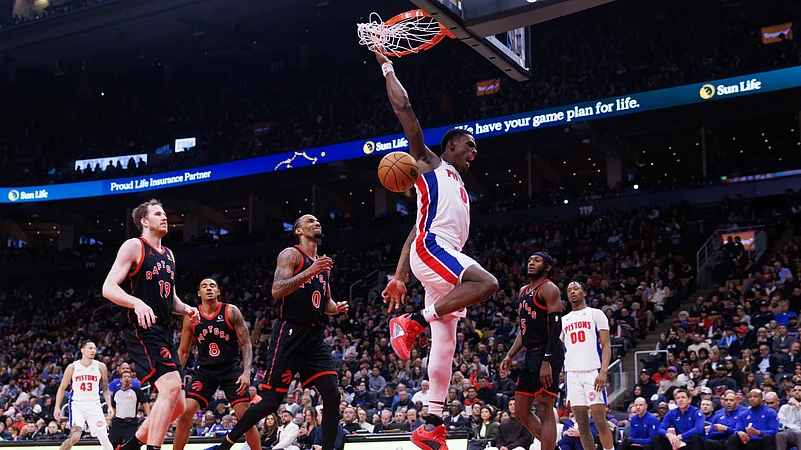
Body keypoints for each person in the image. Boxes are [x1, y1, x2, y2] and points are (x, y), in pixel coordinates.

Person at [376, 50, 499, 450]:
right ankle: (410, 319)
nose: (473, 152)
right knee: (486, 282)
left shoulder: (459, 187)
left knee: (445, 341)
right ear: (449, 146)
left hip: (430, 252)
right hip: (435, 249)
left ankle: (432, 423)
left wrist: (398, 276)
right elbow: (405, 110)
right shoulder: (429, 164)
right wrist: (387, 65)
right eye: (469, 145)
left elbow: (413, 229)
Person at [207, 214, 348, 450]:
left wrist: (337, 308)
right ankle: (225, 444)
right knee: (271, 402)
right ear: (298, 231)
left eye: (318, 221)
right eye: (310, 221)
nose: (316, 223)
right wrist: (311, 271)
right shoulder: (291, 255)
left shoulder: (323, 265)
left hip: (313, 337)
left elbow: (325, 304)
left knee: (332, 394)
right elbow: (276, 290)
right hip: (289, 332)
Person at [102, 199, 200, 450]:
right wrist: (136, 302)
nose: (164, 217)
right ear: (144, 221)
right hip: (141, 326)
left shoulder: (169, 254)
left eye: (165, 213)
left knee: (178, 405)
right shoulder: (134, 245)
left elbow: (171, 299)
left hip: (164, 329)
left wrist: (187, 309)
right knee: (169, 387)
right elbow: (108, 287)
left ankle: (130, 447)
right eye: (158, 214)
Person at [174, 278, 261, 450]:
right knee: (185, 414)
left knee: (246, 418)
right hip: (205, 371)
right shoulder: (191, 316)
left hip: (231, 369)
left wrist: (246, 372)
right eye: (204, 286)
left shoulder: (230, 311)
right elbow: (183, 351)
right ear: (199, 293)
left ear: (218, 292)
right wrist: (175, 377)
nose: (209, 289)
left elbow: (246, 343)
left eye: (212, 286)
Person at [500, 252, 562, 450]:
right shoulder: (523, 291)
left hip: (548, 351)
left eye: (537, 261)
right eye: (529, 261)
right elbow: (523, 329)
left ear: (547, 267)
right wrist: (510, 354)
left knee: (544, 408)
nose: (531, 264)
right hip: (530, 353)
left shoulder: (549, 288)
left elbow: (556, 328)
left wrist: (547, 361)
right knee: (520, 411)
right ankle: (551, 446)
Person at [560, 281, 615, 450]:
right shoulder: (564, 320)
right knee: (582, 424)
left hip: (593, 372)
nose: (572, 292)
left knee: (599, 419)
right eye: (569, 290)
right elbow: (562, 349)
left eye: (576, 289)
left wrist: (603, 372)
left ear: (584, 292)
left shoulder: (596, 314)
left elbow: (606, 345)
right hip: (572, 374)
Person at [53, 341, 114, 450]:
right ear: (82, 350)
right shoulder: (73, 367)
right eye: (90, 348)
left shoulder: (101, 366)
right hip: (77, 406)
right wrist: (57, 407)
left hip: (94, 405)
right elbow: (62, 388)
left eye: (94, 348)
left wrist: (109, 406)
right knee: (75, 436)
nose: (93, 351)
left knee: (104, 437)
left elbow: (105, 388)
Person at [109, 371, 150, 448]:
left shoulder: (137, 391)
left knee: (134, 446)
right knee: (111, 445)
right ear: (120, 380)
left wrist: (149, 417)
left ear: (131, 380)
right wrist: (110, 419)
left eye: (129, 377)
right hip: (117, 423)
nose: (127, 378)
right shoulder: (116, 393)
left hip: (131, 423)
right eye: (124, 377)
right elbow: (113, 408)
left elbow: (145, 404)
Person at [776, 384, 801, 450]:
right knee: (780, 435)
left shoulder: (798, 406)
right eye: (795, 390)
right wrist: (796, 428)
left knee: (799, 434)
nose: (797, 392)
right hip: (789, 433)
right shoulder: (784, 407)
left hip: (799, 434)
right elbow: (781, 424)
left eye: (799, 390)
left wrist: (798, 405)